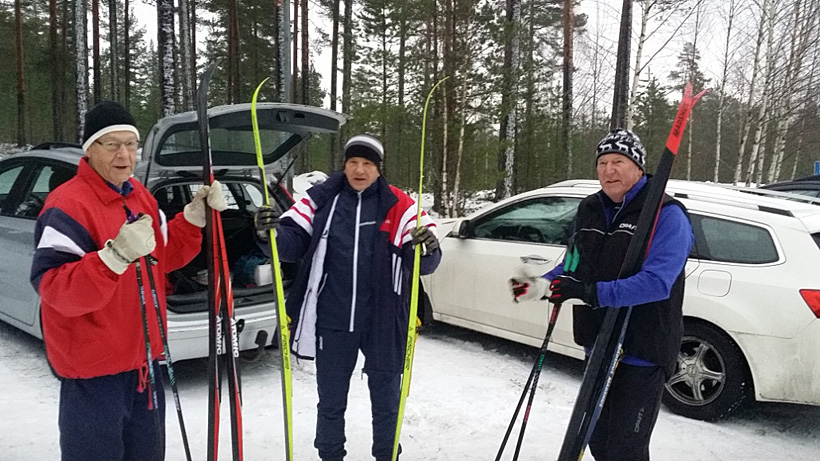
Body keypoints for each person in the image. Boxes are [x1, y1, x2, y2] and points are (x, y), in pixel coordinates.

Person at [30, 101, 227, 461]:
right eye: (112, 144)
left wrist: (193, 218)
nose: (124, 154)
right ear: (90, 150)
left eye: (131, 144)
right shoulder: (68, 205)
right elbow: (55, 288)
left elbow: (163, 256)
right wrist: (112, 258)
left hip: (144, 364)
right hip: (94, 373)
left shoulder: (140, 197)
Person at [254, 134, 442, 461]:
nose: (359, 169)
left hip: (383, 321)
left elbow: (425, 261)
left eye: (368, 163)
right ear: (344, 165)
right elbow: (290, 243)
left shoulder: (399, 205)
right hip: (334, 318)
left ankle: (387, 455)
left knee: (386, 402)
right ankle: (330, 455)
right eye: (353, 162)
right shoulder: (321, 200)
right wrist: (267, 232)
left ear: (378, 169)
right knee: (330, 402)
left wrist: (430, 246)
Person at [510, 128, 693, 461]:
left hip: (644, 347)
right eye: (603, 162)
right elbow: (575, 262)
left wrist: (590, 292)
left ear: (638, 166)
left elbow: (656, 283)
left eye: (618, 161)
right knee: (596, 439)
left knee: (625, 448)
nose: (609, 170)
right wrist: (541, 284)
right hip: (598, 340)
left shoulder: (666, 214)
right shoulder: (590, 208)